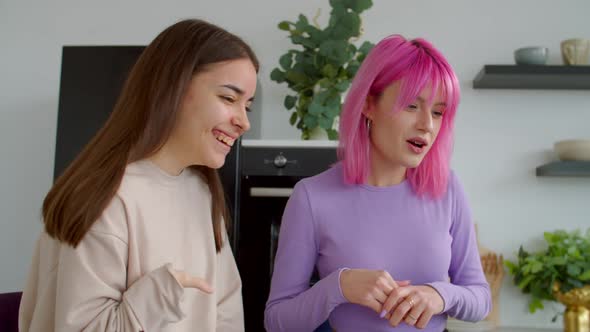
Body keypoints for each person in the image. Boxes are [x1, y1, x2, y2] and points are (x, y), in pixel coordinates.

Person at [19, 18, 258, 332]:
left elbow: (226, 314)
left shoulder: (201, 195)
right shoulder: (107, 197)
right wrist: (160, 293)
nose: (243, 122)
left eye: (247, 106)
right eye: (228, 98)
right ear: (173, 87)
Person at [264, 34, 491, 331]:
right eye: (412, 105)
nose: (428, 124)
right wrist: (339, 286)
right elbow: (277, 320)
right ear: (369, 105)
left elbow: (481, 299)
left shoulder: (448, 189)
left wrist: (440, 295)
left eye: (438, 111)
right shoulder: (311, 197)